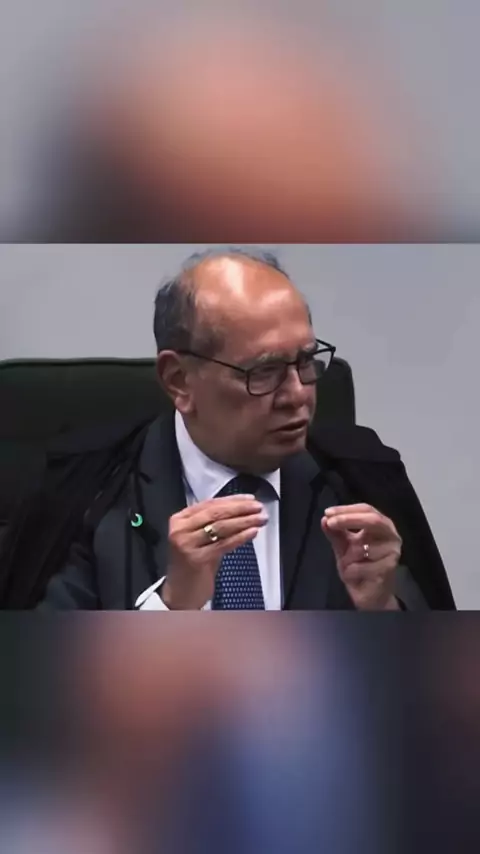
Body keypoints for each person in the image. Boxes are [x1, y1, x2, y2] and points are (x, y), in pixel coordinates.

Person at [33, 247, 453, 611]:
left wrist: (382, 608)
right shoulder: (94, 493)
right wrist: (171, 606)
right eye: (264, 371)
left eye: (306, 361)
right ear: (179, 381)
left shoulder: (359, 482)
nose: (298, 395)